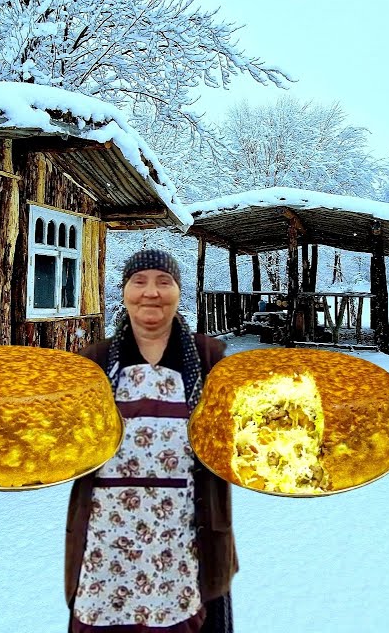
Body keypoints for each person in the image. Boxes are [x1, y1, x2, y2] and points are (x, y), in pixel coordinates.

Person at [67, 249, 237, 632]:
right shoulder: (94, 360)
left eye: (164, 281)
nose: (151, 292)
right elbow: (66, 439)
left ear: (178, 291)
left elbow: (239, 433)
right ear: (124, 291)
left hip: (186, 528)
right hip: (106, 534)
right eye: (139, 281)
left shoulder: (210, 358)